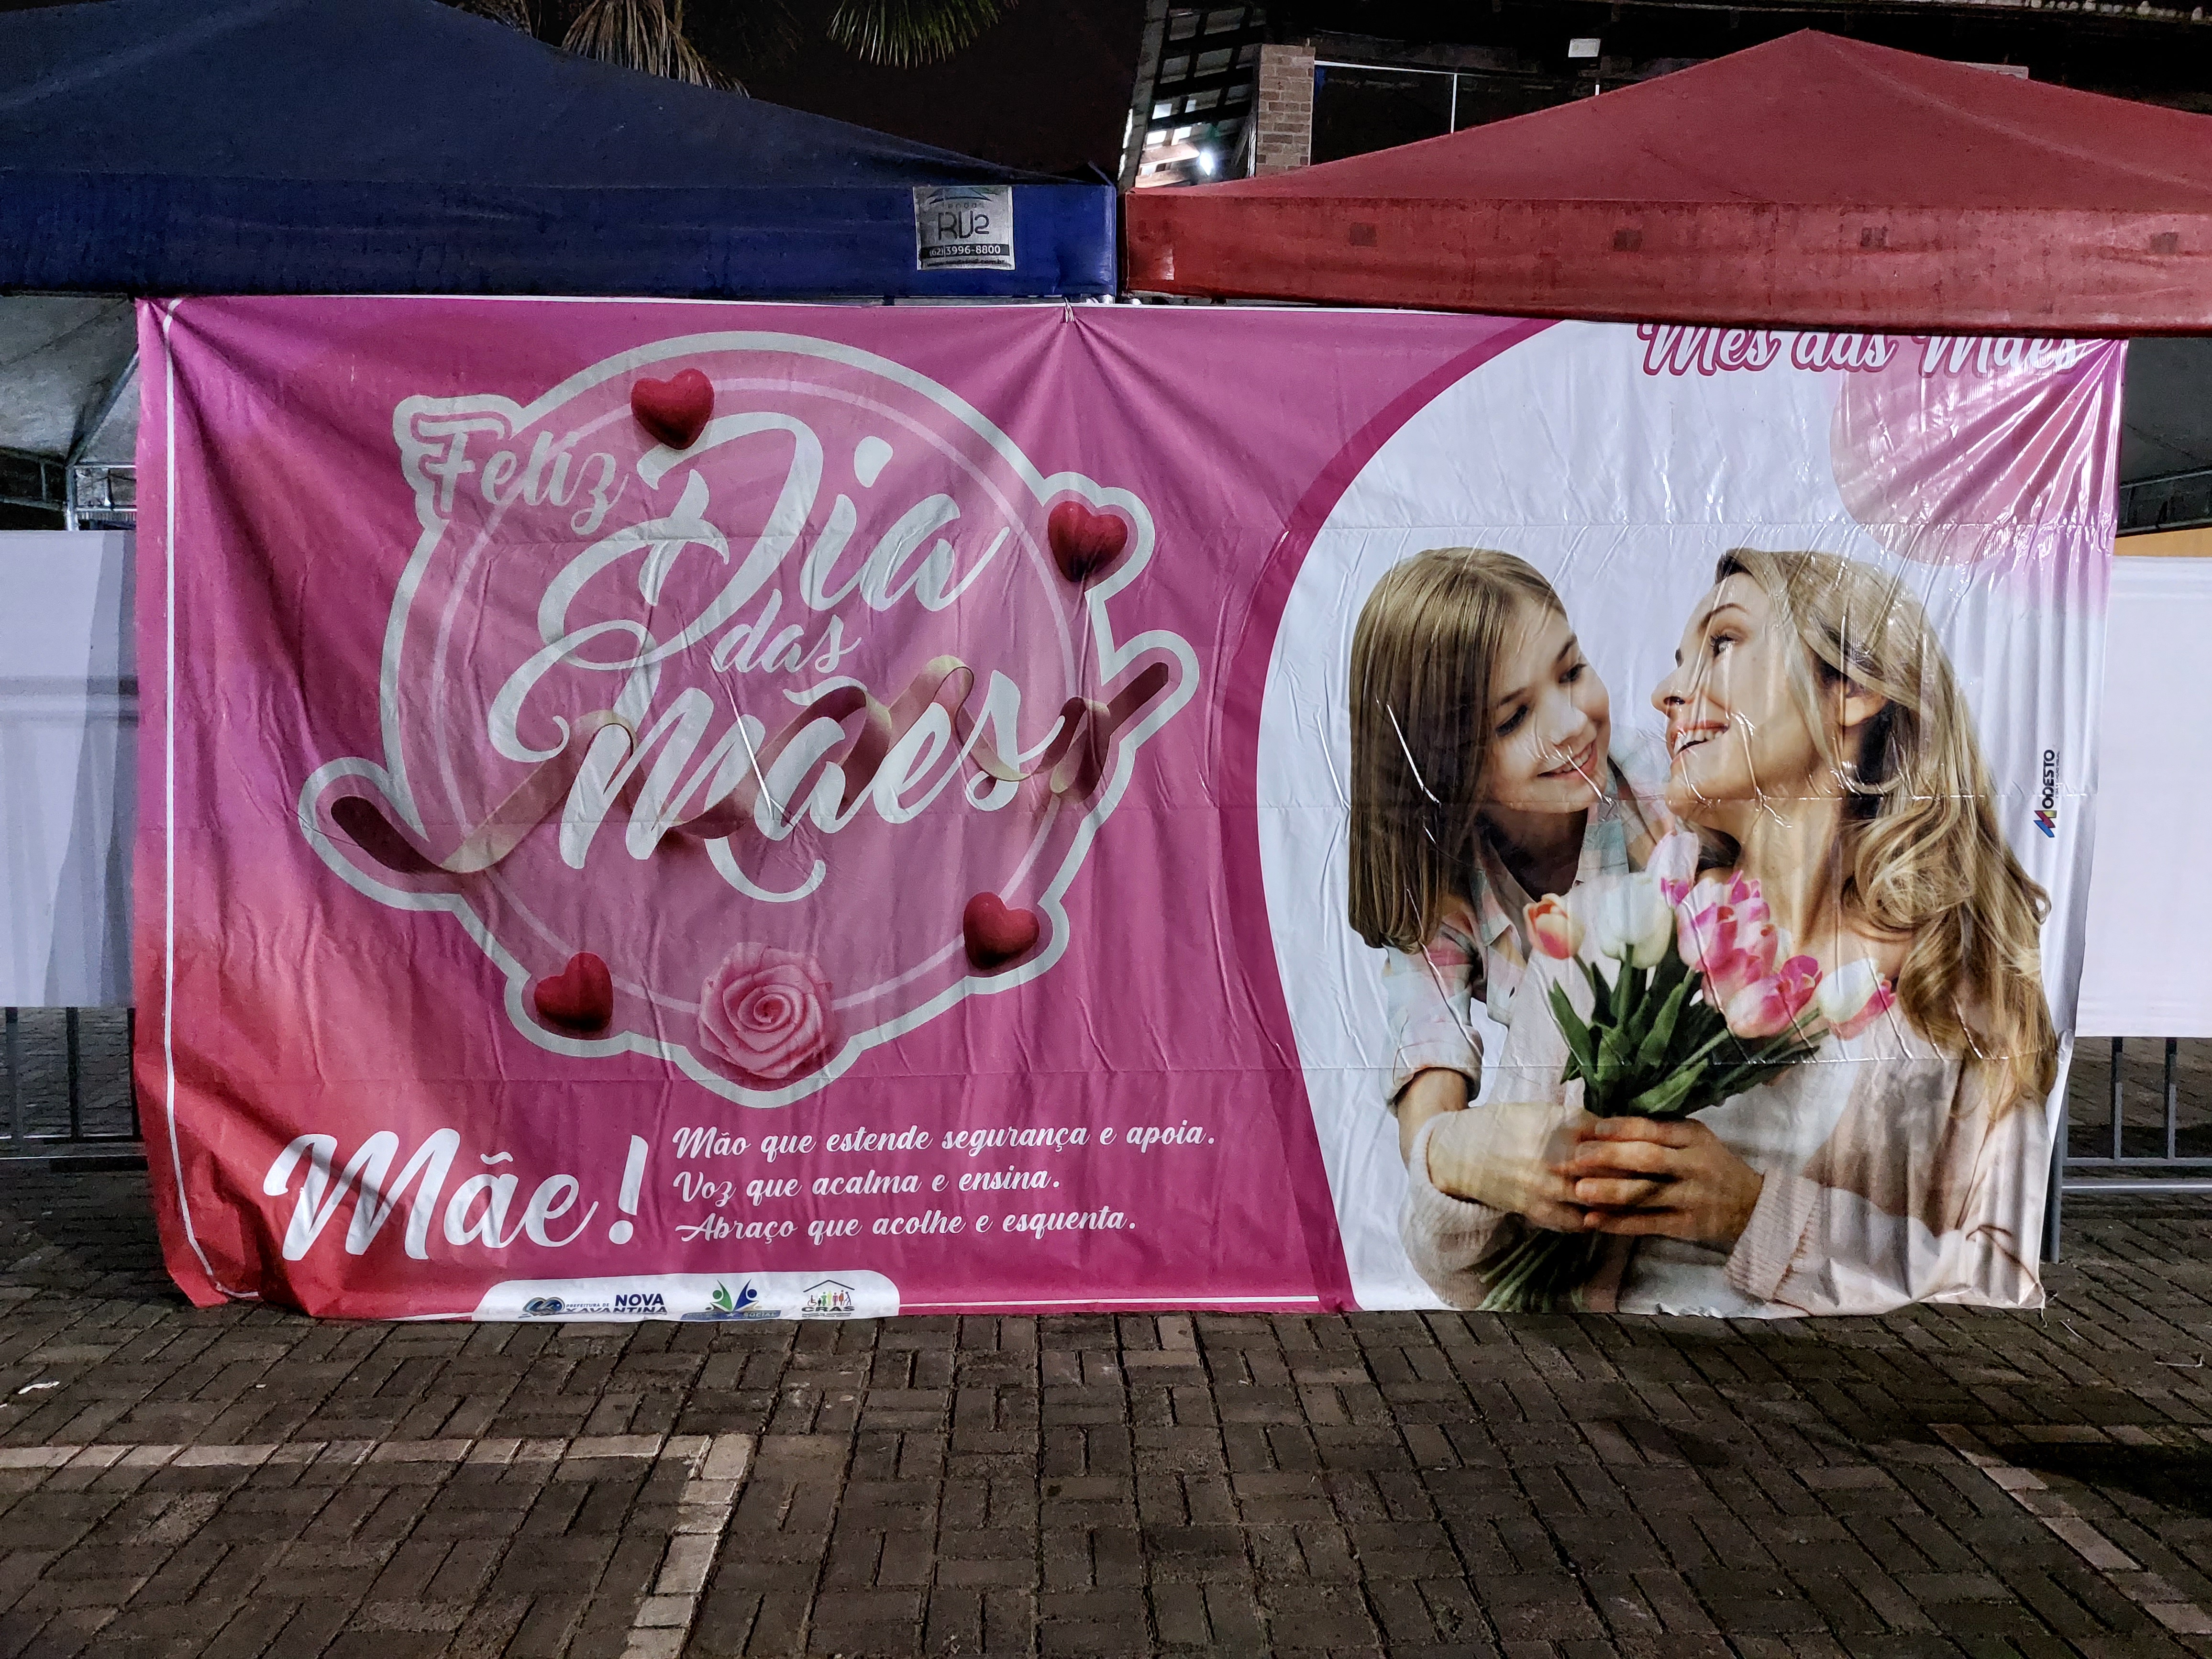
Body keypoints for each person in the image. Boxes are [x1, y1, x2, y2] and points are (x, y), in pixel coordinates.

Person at [1401, 549, 2058, 1316]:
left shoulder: (1956, 985)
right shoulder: (1603, 938)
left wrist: (1751, 1213)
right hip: (1599, 1385)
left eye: (1721, 643)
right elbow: (1478, 1285)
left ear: (1852, 689)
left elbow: (2002, 1281)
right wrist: (1456, 1160)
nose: (1666, 693)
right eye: (1680, 661)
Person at [1347, 548, 1669, 1165]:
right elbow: (1430, 1074)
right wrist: (1471, 1165)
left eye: (1571, 672)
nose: (1571, 722)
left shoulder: (1658, 792)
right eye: (1515, 718)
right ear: (1441, 763)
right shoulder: (1444, 876)